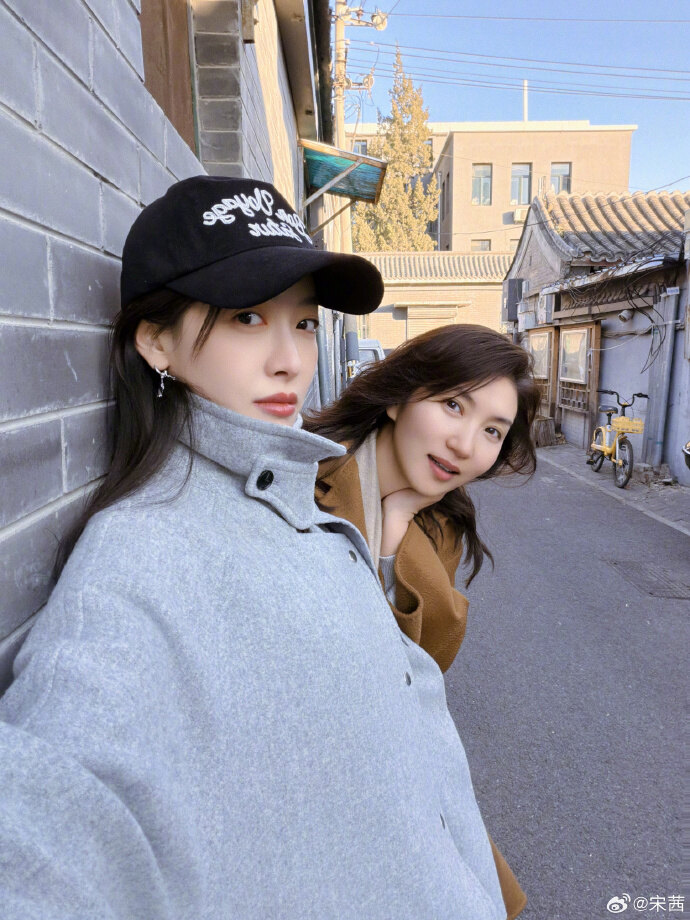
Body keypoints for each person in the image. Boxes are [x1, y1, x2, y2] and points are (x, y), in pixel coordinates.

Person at [0, 177, 508, 919]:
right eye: (246, 318)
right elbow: (59, 805)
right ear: (157, 341)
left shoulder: (294, 494)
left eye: (303, 323)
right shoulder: (140, 556)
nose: (290, 360)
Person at [305, 324, 541, 920]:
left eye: (492, 431)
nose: (465, 445)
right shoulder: (301, 475)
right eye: (453, 405)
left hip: (392, 766)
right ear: (397, 397)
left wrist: (396, 531)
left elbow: (421, 666)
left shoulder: (440, 524)